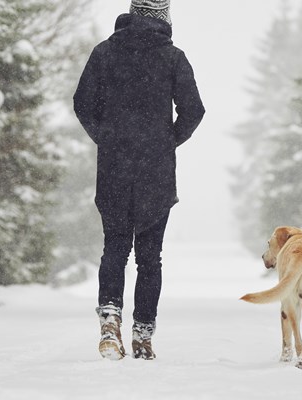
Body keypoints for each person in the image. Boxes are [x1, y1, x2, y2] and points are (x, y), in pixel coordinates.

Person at [73, 0, 205, 360]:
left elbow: (82, 103)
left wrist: (108, 136)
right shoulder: (173, 57)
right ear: (163, 19)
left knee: (114, 247)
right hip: (156, 171)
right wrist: (167, 140)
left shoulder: (105, 52)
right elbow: (194, 110)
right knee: (150, 258)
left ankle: (109, 323)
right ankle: (143, 336)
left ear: (132, 14)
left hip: (114, 167)